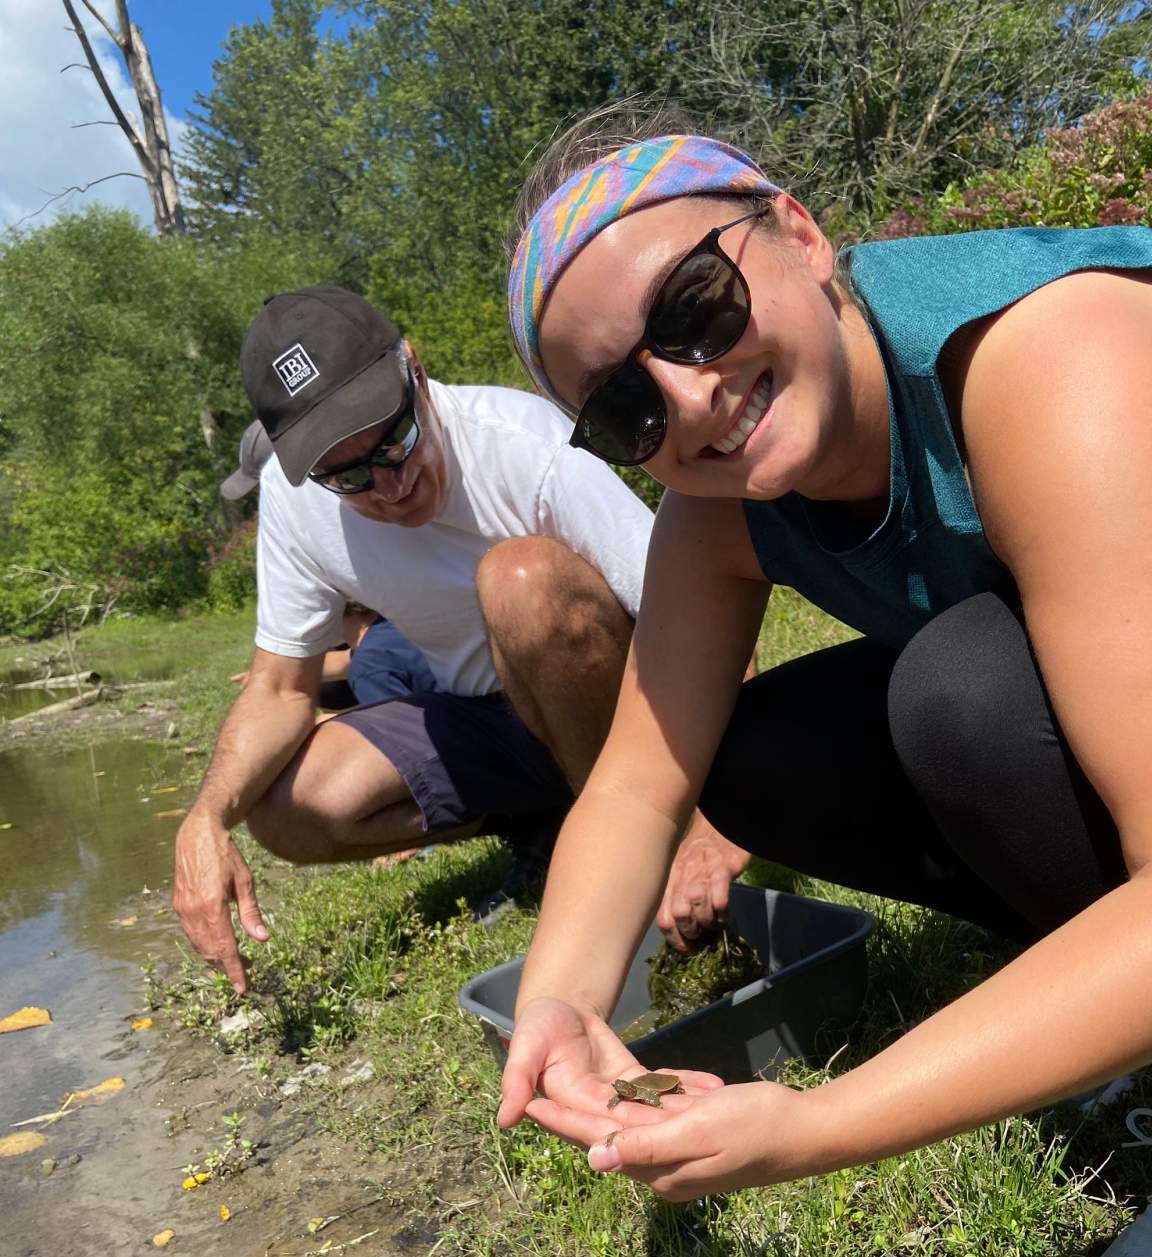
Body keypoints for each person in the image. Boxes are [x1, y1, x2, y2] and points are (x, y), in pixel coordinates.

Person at [495, 110, 1152, 1257]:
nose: (690, 396)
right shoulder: (715, 510)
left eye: (696, 306)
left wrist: (817, 1123)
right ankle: (1105, 992)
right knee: (764, 754)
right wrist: (561, 999)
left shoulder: (1049, 355)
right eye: (624, 410)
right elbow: (638, 783)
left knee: (963, 694)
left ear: (805, 239)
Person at [175, 284, 747, 989]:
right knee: (290, 809)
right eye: (349, 474)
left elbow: (706, 613)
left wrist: (726, 827)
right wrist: (206, 818)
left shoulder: (525, 445)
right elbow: (277, 688)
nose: (389, 484)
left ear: (414, 372)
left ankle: (646, 840)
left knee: (519, 579)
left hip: (627, 708)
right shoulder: (297, 504)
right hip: (493, 722)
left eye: (396, 438)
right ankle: (549, 819)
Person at [219, 420, 438, 712]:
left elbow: (385, 643)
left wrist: (285, 678)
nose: (265, 500)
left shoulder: (358, 522)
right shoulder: (303, 531)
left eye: (265, 488)